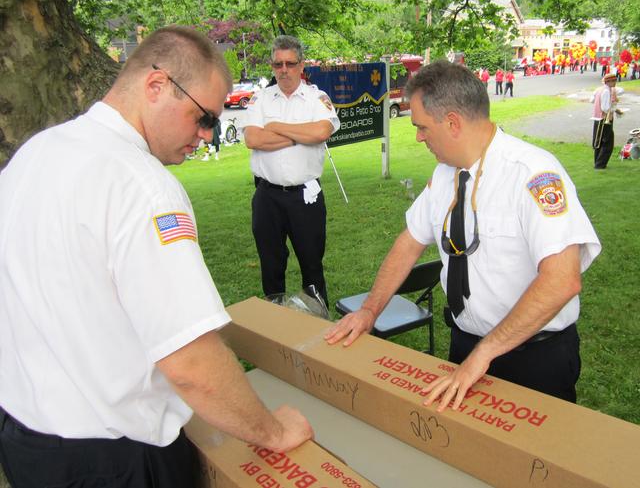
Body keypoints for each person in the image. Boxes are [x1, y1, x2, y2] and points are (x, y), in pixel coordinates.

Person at [0, 26, 313, 488]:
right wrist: (273, 432)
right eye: (203, 116)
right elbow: (191, 365)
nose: (208, 136)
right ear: (156, 86)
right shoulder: (142, 186)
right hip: (116, 459)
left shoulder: (37, 151)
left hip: (27, 443)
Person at [325, 60, 600, 412]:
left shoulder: (533, 174)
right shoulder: (445, 176)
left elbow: (562, 281)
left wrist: (484, 353)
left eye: (422, 127)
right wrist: (369, 310)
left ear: (452, 122)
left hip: (534, 358)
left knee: (533, 464)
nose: (418, 137)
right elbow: (409, 242)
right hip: (466, 345)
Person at [243, 35, 340, 307]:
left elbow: (322, 131)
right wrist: (301, 135)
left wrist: (274, 126)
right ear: (272, 66)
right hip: (267, 197)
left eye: (289, 63)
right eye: (277, 64)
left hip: (305, 198)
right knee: (271, 265)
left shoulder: (315, 97)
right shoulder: (260, 99)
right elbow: (253, 139)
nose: (283, 70)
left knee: (312, 264)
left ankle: (319, 323)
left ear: (301, 66)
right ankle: (277, 327)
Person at [591, 72, 624, 170]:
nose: (615, 83)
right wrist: (615, 110)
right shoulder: (606, 91)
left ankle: (598, 162)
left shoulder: (599, 89)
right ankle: (600, 165)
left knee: (599, 142)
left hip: (597, 118)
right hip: (604, 118)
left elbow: (592, 100)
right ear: (609, 81)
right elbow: (605, 108)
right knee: (607, 143)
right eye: (614, 81)